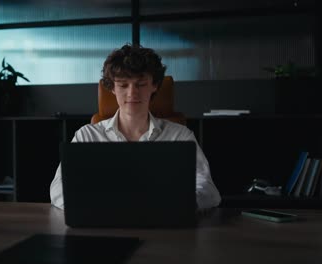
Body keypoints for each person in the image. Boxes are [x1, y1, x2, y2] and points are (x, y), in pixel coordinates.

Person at [49, 44, 221, 211]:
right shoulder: (87, 136)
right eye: (123, 85)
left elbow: (208, 189)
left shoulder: (180, 136)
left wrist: (173, 205)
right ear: (112, 88)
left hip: (163, 226)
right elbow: (58, 188)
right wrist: (98, 206)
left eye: (140, 84)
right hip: (102, 224)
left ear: (154, 85)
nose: (132, 93)